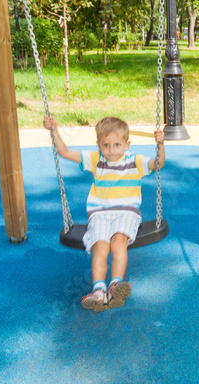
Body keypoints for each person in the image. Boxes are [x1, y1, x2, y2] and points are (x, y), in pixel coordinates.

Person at [44, 115, 166, 311]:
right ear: (98, 144)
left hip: (127, 212)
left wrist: (160, 144)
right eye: (106, 145)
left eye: (117, 145)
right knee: (101, 247)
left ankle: (115, 285)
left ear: (127, 144)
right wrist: (54, 130)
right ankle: (98, 290)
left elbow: (157, 164)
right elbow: (64, 152)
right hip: (99, 213)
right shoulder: (95, 160)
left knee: (118, 242)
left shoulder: (134, 161)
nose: (111, 151)